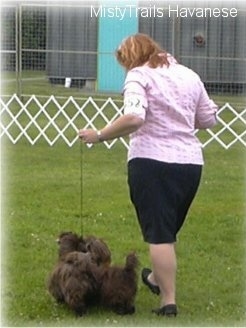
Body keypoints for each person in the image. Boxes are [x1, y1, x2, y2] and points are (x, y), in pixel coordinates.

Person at [78, 33, 218, 316]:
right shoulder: (189, 74)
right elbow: (208, 119)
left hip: (152, 162)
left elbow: (135, 117)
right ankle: (155, 278)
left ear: (131, 58)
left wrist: (100, 135)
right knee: (167, 229)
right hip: (190, 164)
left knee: (159, 234)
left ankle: (168, 301)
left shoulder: (138, 76)